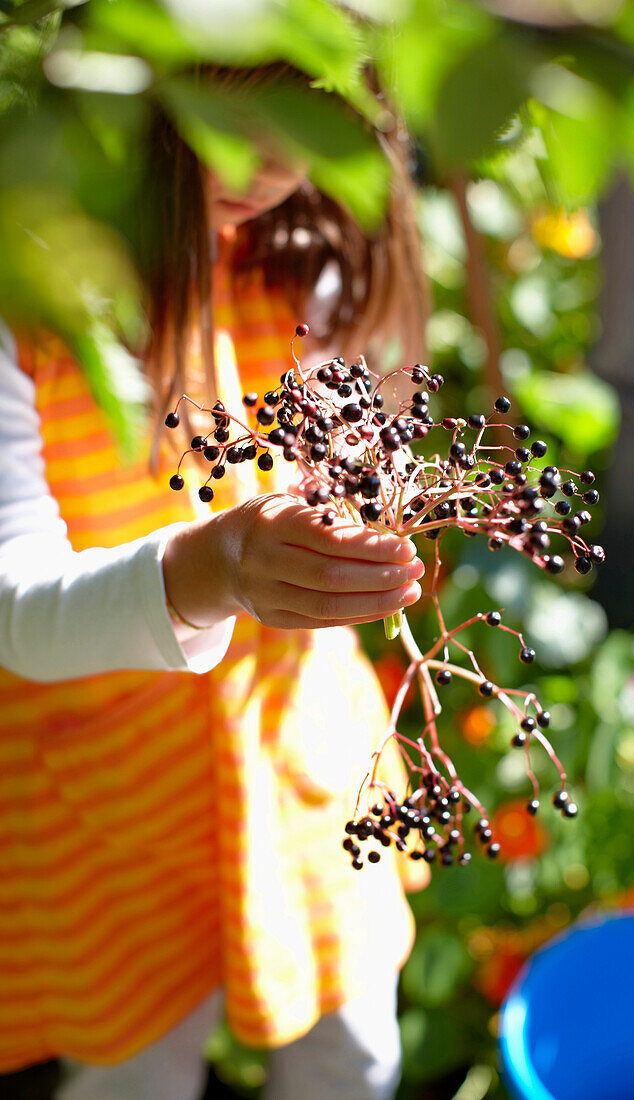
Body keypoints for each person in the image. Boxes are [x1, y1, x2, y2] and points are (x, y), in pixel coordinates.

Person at [0, 63, 430, 1100]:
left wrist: (369, 500)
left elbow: (357, 435)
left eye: (314, 122)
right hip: (108, 797)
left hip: (300, 765)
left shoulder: (305, 250)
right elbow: (12, 598)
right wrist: (211, 566)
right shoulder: (29, 290)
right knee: (136, 1066)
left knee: (352, 1049)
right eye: (238, 112)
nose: (274, 161)